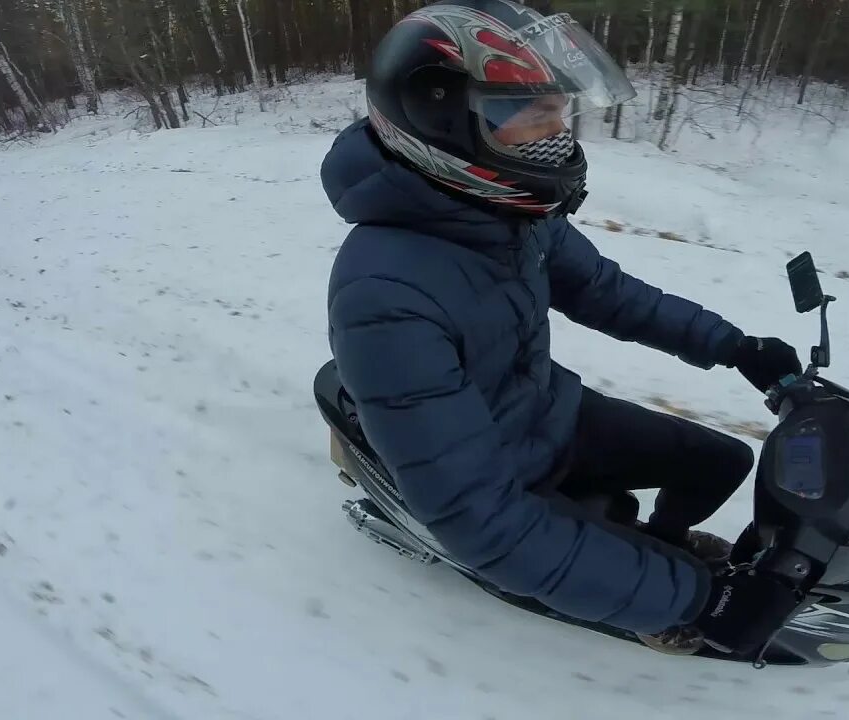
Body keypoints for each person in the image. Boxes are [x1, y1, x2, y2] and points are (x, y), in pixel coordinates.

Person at [320, 0, 803, 656]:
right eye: (530, 117)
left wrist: (732, 345)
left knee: (723, 459)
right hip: (495, 473)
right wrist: (699, 601)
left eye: (559, 112)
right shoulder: (384, 296)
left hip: (549, 413)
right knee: (680, 584)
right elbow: (480, 521)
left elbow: (608, 294)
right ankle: (652, 591)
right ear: (444, 126)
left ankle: (654, 546)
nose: (557, 134)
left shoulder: (506, 214)